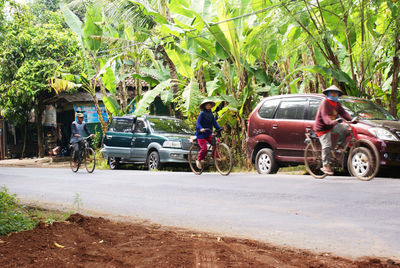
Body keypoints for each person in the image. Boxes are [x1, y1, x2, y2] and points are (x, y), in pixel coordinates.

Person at [314, 85, 355, 175]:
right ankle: (325, 165)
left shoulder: (337, 104)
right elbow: (325, 117)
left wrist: (351, 119)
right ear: (328, 93)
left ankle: (339, 146)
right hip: (322, 128)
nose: (334, 94)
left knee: (345, 129)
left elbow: (343, 113)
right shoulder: (325, 102)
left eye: (335, 93)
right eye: (332, 92)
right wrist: (330, 122)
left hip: (332, 125)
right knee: (327, 145)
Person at [196, 99, 222, 169]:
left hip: (208, 133)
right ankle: (199, 160)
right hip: (201, 134)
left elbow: (214, 122)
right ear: (204, 106)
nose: (209, 106)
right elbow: (198, 123)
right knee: (204, 148)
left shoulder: (211, 114)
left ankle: (214, 156)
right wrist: (201, 128)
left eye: (210, 105)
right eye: (207, 105)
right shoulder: (202, 114)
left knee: (217, 142)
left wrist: (218, 128)